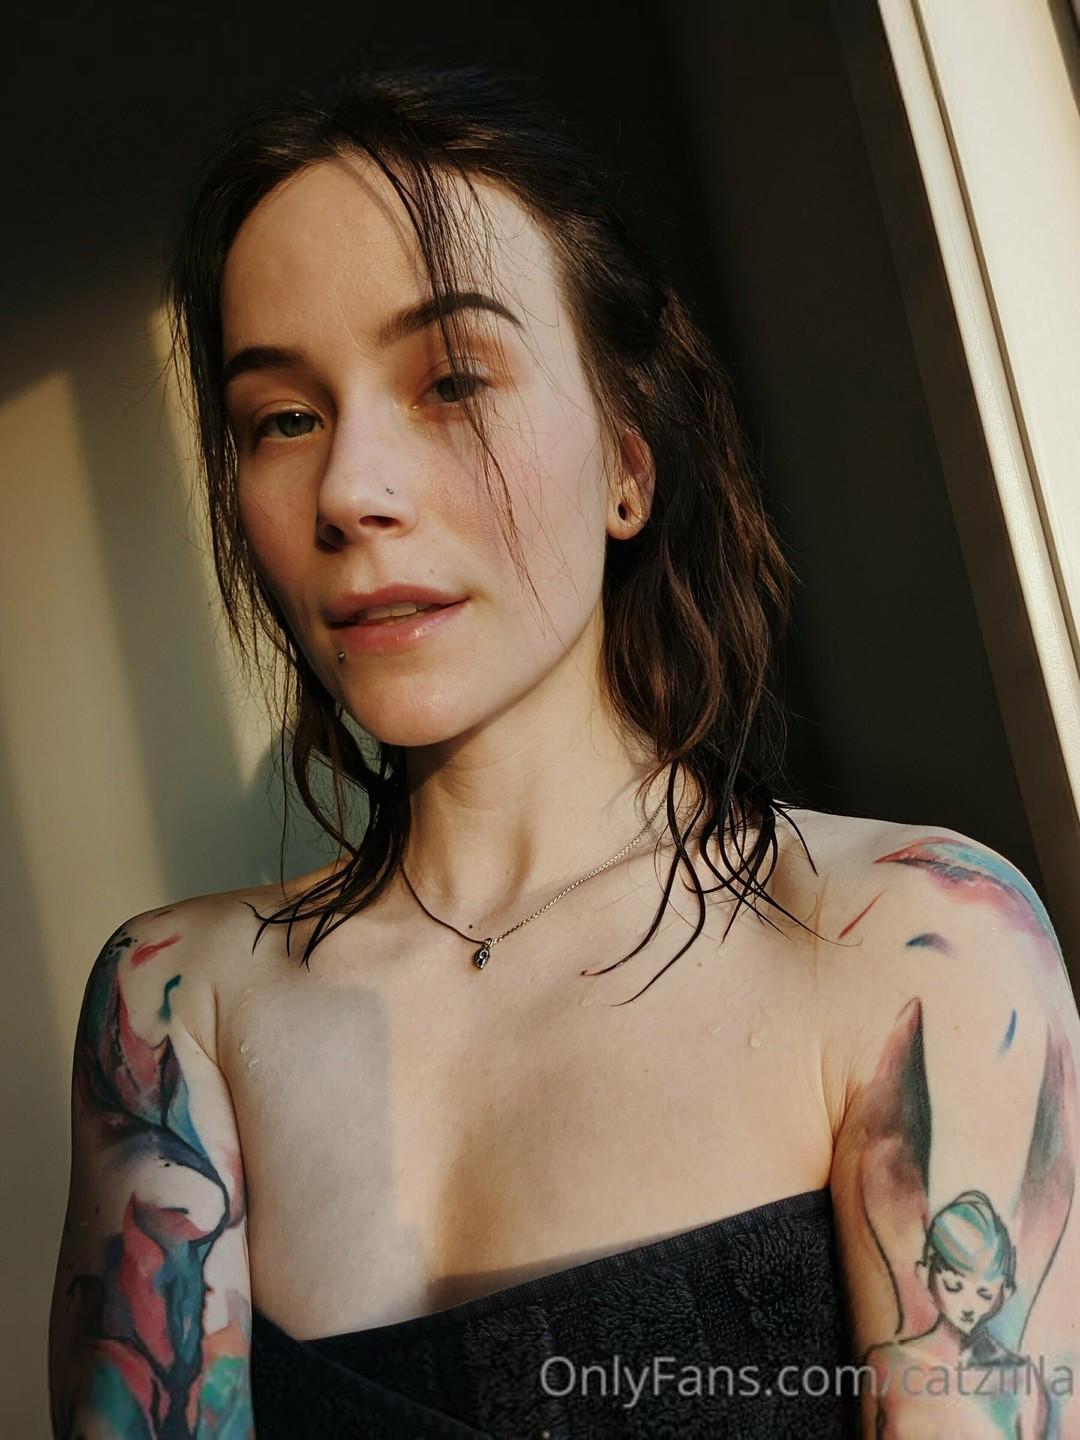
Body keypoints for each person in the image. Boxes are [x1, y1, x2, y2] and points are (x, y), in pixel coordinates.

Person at [48, 62, 1080, 1439]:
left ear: (628, 463)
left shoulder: (912, 950)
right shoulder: (175, 1010)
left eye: (451, 381)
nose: (350, 490)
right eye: (283, 418)